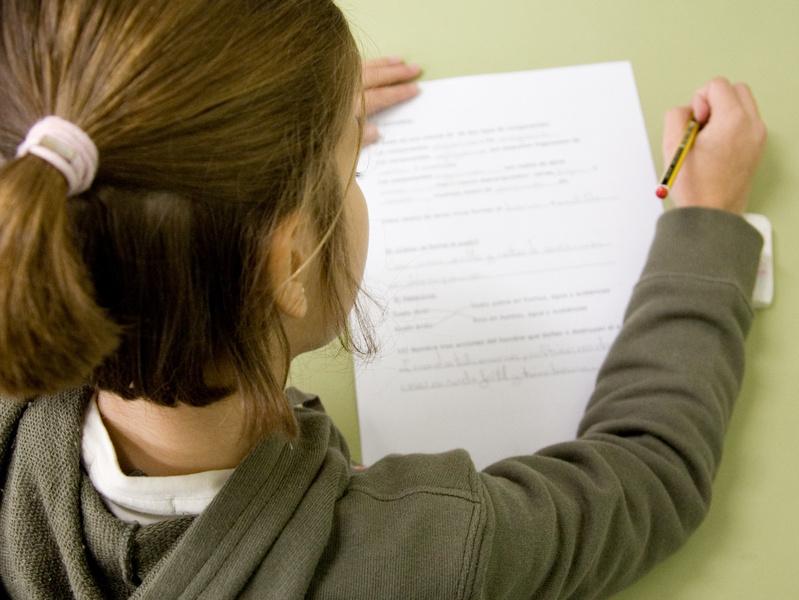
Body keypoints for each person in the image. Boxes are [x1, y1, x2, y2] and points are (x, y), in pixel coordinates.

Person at [0, 1, 767, 598]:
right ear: (291, 263)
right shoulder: (411, 556)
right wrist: (707, 228)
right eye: (345, 174)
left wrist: (254, 136)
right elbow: (650, 479)